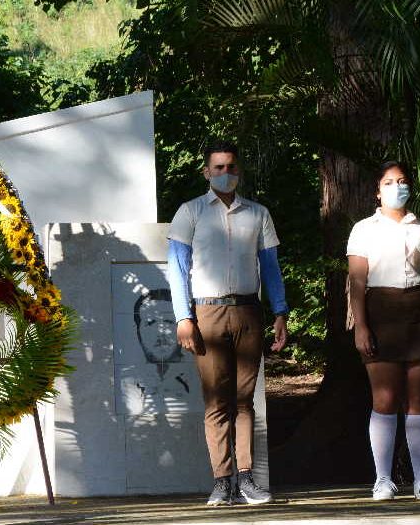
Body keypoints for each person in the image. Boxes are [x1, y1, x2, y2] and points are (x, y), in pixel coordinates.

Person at [167, 140, 289, 506]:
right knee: (216, 402)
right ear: (207, 172)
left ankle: (248, 479)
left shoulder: (258, 213)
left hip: (249, 312)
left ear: (239, 171)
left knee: (243, 401)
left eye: (231, 167)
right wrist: (183, 317)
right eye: (218, 168)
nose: (225, 173)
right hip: (206, 312)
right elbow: (176, 268)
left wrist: (280, 311)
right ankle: (222, 480)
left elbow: (270, 266)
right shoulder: (189, 213)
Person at [347, 161, 420, 501]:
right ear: (378, 191)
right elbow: (357, 282)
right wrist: (361, 326)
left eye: (402, 181)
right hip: (380, 313)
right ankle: (382, 479)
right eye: (389, 182)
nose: (397, 187)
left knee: (419, 398)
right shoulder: (364, 229)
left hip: (419, 313)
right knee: (385, 398)